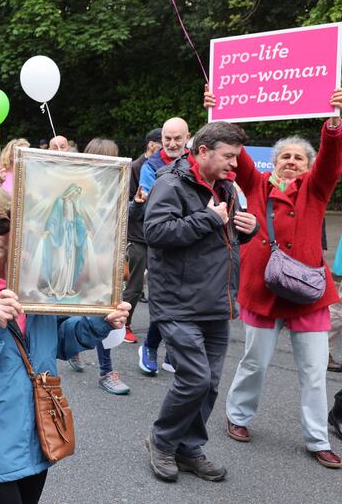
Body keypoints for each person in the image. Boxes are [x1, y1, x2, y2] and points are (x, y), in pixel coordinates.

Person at [0, 180, 130, 504]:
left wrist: (99, 322)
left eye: (0, 223)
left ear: (16, 226)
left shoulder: (37, 278)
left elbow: (60, 342)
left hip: (38, 429)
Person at [205, 87, 342, 469]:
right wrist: (217, 116)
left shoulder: (316, 188)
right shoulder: (257, 185)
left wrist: (333, 124)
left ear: (308, 164)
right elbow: (238, 156)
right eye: (285, 156)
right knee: (255, 362)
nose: (292, 162)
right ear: (274, 163)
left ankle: (317, 439)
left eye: (299, 157)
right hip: (263, 289)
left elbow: (331, 160)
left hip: (309, 295)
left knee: (315, 373)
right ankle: (239, 416)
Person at [143, 121, 258, 483]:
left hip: (215, 300)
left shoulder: (225, 186)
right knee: (194, 378)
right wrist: (208, 218)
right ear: (204, 151)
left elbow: (226, 238)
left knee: (209, 383)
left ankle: (188, 447)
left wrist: (247, 228)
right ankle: (161, 442)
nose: (234, 165)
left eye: (236, 158)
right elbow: (156, 232)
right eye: (229, 156)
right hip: (178, 302)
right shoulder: (170, 183)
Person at [63, 138, 131, 394]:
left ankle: (105, 371)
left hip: (106, 262)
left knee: (107, 313)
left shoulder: (119, 188)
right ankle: (72, 346)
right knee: (74, 307)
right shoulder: (79, 190)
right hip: (80, 258)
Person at [136, 118, 190, 354]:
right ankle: (150, 346)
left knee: (187, 302)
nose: (172, 143)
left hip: (191, 236)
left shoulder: (197, 159)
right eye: (167, 138)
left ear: (187, 137)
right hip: (164, 238)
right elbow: (150, 203)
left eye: (177, 138)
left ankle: (173, 352)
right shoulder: (151, 165)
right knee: (164, 302)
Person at [124, 129, 161, 343]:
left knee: (159, 285)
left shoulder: (166, 166)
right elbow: (127, 201)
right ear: (150, 144)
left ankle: (159, 330)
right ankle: (124, 324)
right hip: (137, 235)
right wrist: (141, 202)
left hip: (157, 235)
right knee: (136, 285)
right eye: (160, 143)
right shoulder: (135, 167)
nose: (164, 148)